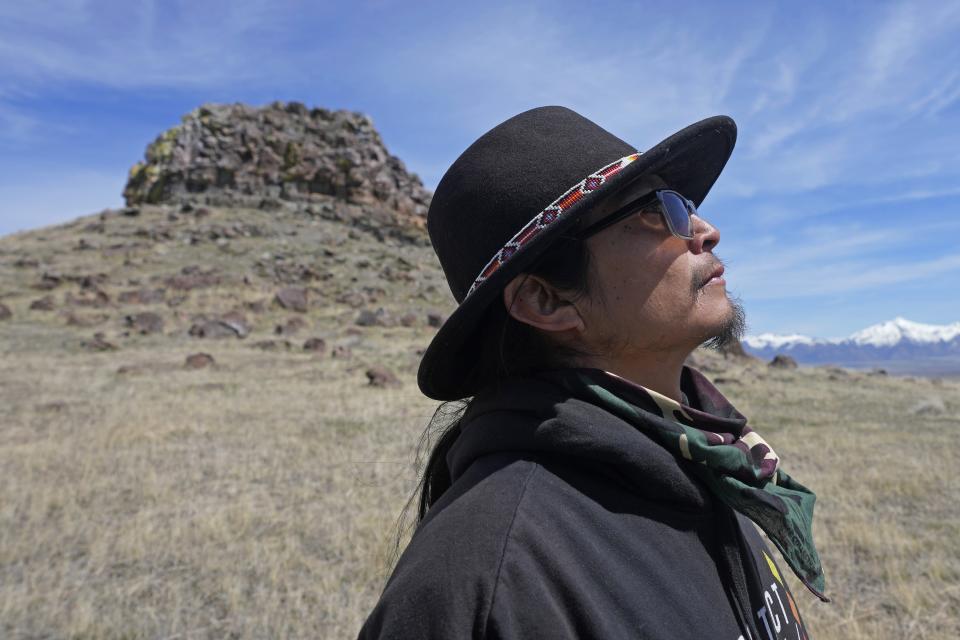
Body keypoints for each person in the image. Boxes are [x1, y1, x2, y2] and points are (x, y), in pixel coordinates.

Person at [359, 106, 828, 640]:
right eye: (658, 212)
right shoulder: (487, 583)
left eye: (688, 205)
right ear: (546, 299)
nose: (707, 231)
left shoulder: (709, 458)